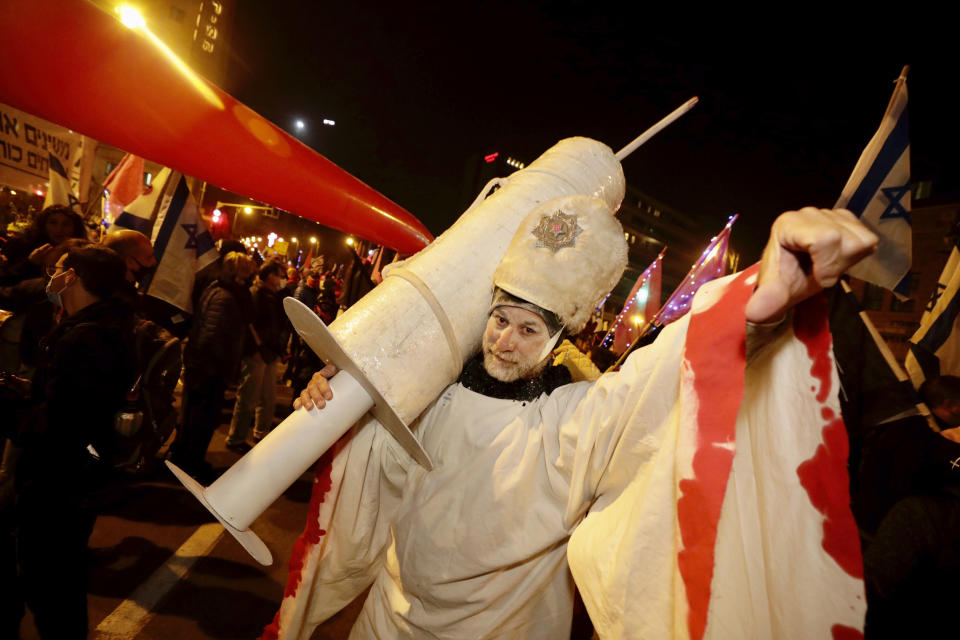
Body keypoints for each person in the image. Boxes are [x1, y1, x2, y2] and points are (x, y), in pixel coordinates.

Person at [266, 200, 877, 639]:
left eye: (528, 330)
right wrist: (338, 395)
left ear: (557, 340)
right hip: (386, 621)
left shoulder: (573, 418)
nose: (505, 341)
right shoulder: (435, 396)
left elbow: (658, 378)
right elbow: (375, 462)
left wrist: (760, 300)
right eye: (500, 320)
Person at [1, 244, 134, 639]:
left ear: (72, 277)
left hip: (57, 479)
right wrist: (33, 389)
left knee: (51, 584)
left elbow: (60, 421)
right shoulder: (98, 326)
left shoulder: (88, 337)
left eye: (58, 268)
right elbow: (71, 398)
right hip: (71, 475)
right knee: (55, 581)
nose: (51, 275)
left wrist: (11, 411)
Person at [171, 251, 257, 480]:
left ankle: (185, 458)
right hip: (209, 370)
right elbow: (212, 336)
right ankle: (189, 463)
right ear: (238, 271)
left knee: (194, 416)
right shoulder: (225, 297)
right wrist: (221, 367)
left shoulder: (219, 290)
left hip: (204, 367)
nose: (251, 275)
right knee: (200, 418)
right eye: (247, 270)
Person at [226, 261, 287, 450]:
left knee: (268, 397)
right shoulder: (255, 294)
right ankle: (236, 438)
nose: (282, 279)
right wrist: (256, 349)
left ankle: (261, 433)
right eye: (279, 274)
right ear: (270, 276)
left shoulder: (273, 296)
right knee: (248, 397)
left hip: (269, 352)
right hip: (257, 354)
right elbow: (250, 324)